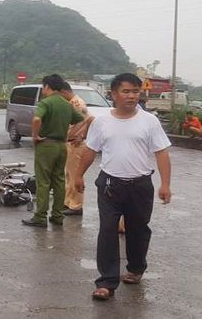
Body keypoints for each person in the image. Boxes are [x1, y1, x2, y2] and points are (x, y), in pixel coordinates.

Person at [75, 73, 171, 301]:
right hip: (110, 184)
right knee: (107, 230)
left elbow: (162, 152)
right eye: (126, 91)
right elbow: (90, 150)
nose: (131, 96)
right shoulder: (101, 122)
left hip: (140, 185)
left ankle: (136, 268)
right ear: (114, 94)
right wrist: (78, 175)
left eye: (135, 91)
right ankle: (107, 282)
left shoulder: (149, 121)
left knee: (138, 229)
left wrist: (165, 184)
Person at [22, 74, 83, 228]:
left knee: (43, 182)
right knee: (59, 181)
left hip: (46, 145)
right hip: (61, 146)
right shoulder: (66, 104)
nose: (43, 89)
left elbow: (36, 119)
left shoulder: (45, 103)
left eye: (43, 86)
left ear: (47, 86)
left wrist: (35, 136)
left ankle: (40, 217)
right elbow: (79, 118)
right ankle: (57, 215)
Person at [59, 82, 93, 216]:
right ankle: (68, 202)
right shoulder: (72, 102)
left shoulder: (77, 103)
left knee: (75, 175)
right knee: (68, 175)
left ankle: (76, 206)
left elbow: (90, 119)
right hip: (70, 143)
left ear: (64, 92)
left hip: (76, 145)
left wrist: (83, 135)